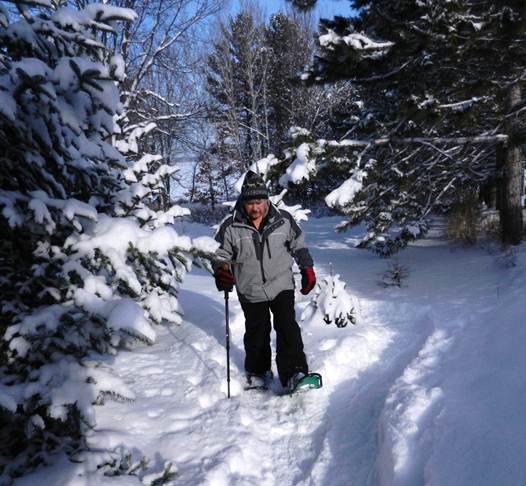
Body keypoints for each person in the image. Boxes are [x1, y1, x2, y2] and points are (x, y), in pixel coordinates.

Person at [213, 170, 317, 392]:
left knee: (288, 327)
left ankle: (295, 372)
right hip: (250, 288)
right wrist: (222, 270)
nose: (255, 207)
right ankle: (258, 372)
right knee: (257, 332)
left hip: (281, 285)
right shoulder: (230, 226)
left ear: (266, 199)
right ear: (243, 202)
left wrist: (307, 267)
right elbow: (221, 254)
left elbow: (298, 245)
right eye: (250, 202)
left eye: (259, 201)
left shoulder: (283, 220)